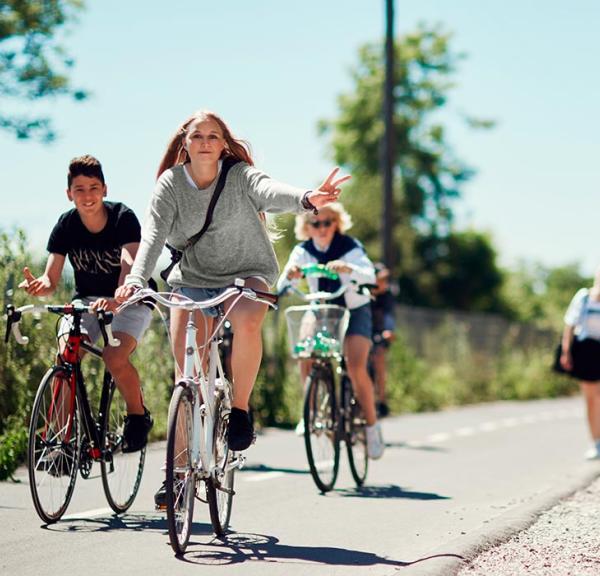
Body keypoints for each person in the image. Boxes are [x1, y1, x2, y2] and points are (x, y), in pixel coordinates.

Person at [114, 109, 349, 462]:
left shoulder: (239, 176)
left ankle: (239, 410)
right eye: (197, 136)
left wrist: (307, 198)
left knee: (247, 319)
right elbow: (153, 235)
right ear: (185, 143)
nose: (205, 142)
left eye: (213, 136)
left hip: (247, 273)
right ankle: (178, 473)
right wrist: (135, 279)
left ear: (224, 144)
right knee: (186, 379)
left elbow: (268, 190)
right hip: (192, 279)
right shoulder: (170, 184)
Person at [19, 155, 154, 453]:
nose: (87, 195)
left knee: (114, 356)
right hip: (87, 302)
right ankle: (61, 440)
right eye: (79, 189)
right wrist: (40, 286)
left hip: (129, 297)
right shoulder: (66, 225)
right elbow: (51, 279)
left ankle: (137, 417)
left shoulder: (122, 217)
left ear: (105, 189)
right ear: (69, 194)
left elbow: (129, 264)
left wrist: (119, 296)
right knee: (66, 353)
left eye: (93, 187)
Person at [277, 203, 385, 459]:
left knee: (356, 365)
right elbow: (283, 283)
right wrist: (291, 276)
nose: (322, 228)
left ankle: (371, 427)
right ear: (307, 227)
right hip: (322, 308)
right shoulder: (302, 251)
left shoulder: (349, 247)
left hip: (354, 308)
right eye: (316, 223)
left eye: (327, 222)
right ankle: (312, 413)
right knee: (305, 352)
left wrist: (349, 270)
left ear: (336, 224)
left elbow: (370, 276)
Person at [560, 268, 600, 459]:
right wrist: (566, 351)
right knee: (591, 399)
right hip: (587, 352)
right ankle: (595, 442)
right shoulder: (584, 297)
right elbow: (570, 324)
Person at [370, 263, 396, 417]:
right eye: (380, 280)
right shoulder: (363, 295)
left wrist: (389, 331)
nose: (383, 284)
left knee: (379, 358)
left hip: (379, 334)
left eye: (385, 281)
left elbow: (389, 316)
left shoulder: (387, 297)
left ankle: (382, 399)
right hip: (364, 332)